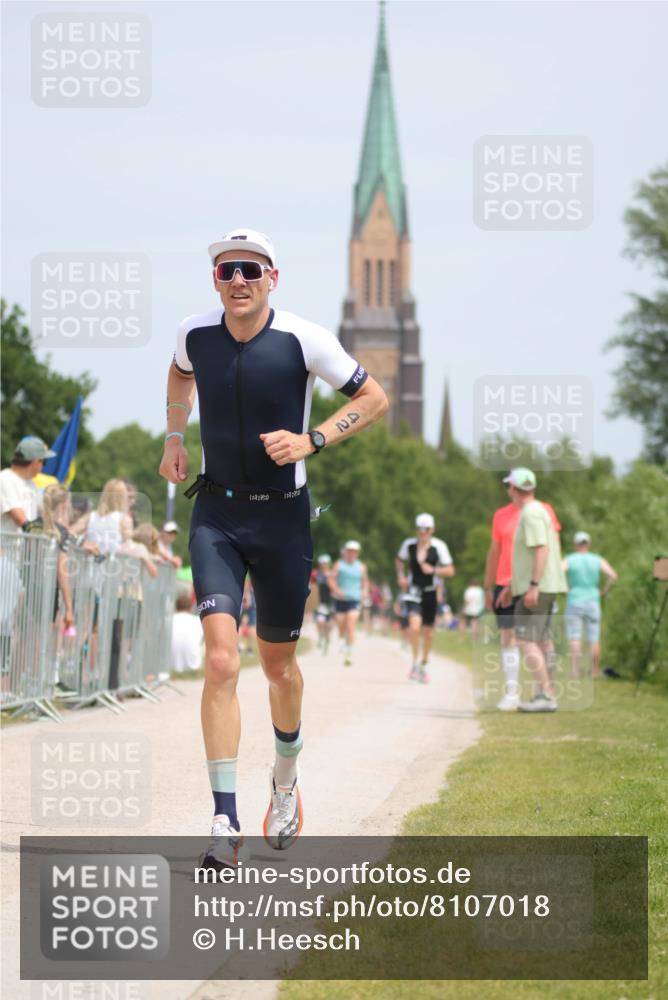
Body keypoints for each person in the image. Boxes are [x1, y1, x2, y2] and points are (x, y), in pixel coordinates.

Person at [158, 227, 388, 866]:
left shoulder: (303, 338)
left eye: (251, 271)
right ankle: (224, 817)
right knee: (223, 661)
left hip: (285, 522)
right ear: (215, 279)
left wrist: (313, 440)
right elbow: (179, 379)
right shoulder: (192, 333)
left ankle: (285, 779)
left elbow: (374, 398)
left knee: (280, 666)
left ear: (272, 278)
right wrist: (175, 437)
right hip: (217, 517)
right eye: (228, 270)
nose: (238, 281)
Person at [483, 470, 561, 711]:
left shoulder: (534, 512)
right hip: (524, 583)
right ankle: (542, 692)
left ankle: (546, 694)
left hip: (536, 585)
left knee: (527, 639)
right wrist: (506, 584)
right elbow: (507, 553)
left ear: (513, 489)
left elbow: (542, 549)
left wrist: (534, 585)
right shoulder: (527, 512)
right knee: (534, 638)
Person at [396, 513, 455, 683]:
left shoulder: (439, 547)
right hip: (413, 592)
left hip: (430, 592)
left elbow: (450, 570)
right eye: (420, 529)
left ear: (432, 529)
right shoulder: (409, 545)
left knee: (428, 633)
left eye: (426, 529)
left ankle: (424, 664)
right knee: (414, 628)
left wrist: (435, 570)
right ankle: (414, 662)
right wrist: (401, 576)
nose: (423, 532)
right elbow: (399, 560)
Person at [563, 532, 617, 678]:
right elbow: (613, 575)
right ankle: (594, 671)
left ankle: (575, 670)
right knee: (594, 637)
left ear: (575, 544)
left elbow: (558, 573)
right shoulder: (597, 559)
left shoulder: (570, 559)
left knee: (575, 636)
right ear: (588, 544)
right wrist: (603, 591)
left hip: (574, 600)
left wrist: (565, 589)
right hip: (593, 600)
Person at [0, 436, 56, 533]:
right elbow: (20, 520)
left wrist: (60, 530)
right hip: (6, 547)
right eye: (44, 461)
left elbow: (43, 513)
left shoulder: (31, 484)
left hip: (22, 547)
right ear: (36, 462)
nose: (43, 466)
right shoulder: (4, 478)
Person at [330, 541, 369, 666]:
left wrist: (365, 591)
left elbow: (365, 581)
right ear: (345, 551)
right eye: (349, 551)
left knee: (351, 624)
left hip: (354, 599)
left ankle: (349, 652)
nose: (351, 553)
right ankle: (342, 640)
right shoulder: (339, 565)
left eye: (354, 551)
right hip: (340, 599)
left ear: (357, 553)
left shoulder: (361, 567)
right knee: (341, 625)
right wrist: (336, 590)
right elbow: (331, 580)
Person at [171, 590, 204, 673]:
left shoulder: (169, 620)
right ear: (190, 608)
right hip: (194, 666)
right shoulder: (198, 621)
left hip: (169, 666)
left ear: (176, 607)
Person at [313, 554, 334, 654]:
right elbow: (311, 586)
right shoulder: (315, 574)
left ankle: (326, 642)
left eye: (325, 563)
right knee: (320, 622)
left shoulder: (332, 574)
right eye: (322, 563)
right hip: (319, 603)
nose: (324, 565)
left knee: (328, 625)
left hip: (330, 603)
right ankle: (321, 636)